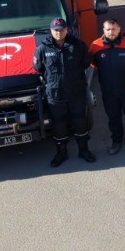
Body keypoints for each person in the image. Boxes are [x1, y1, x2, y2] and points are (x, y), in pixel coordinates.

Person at [34, 18, 95, 167]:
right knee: (59, 124)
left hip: (76, 92)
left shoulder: (78, 45)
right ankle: (61, 153)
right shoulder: (43, 48)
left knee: (80, 121)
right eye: (55, 30)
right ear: (51, 31)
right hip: (55, 94)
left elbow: (86, 63)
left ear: (67, 30)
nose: (58, 32)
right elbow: (38, 68)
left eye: (61, 29)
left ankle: (84, 150)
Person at [90, 17, 125, 155]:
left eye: (114, 29)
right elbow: (93, 64)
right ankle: (117, 141)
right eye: (108, 29)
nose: (111, 32)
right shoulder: (95, 46)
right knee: (113, 117)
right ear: (103, 30)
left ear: (119, 29)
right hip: (108, 91)